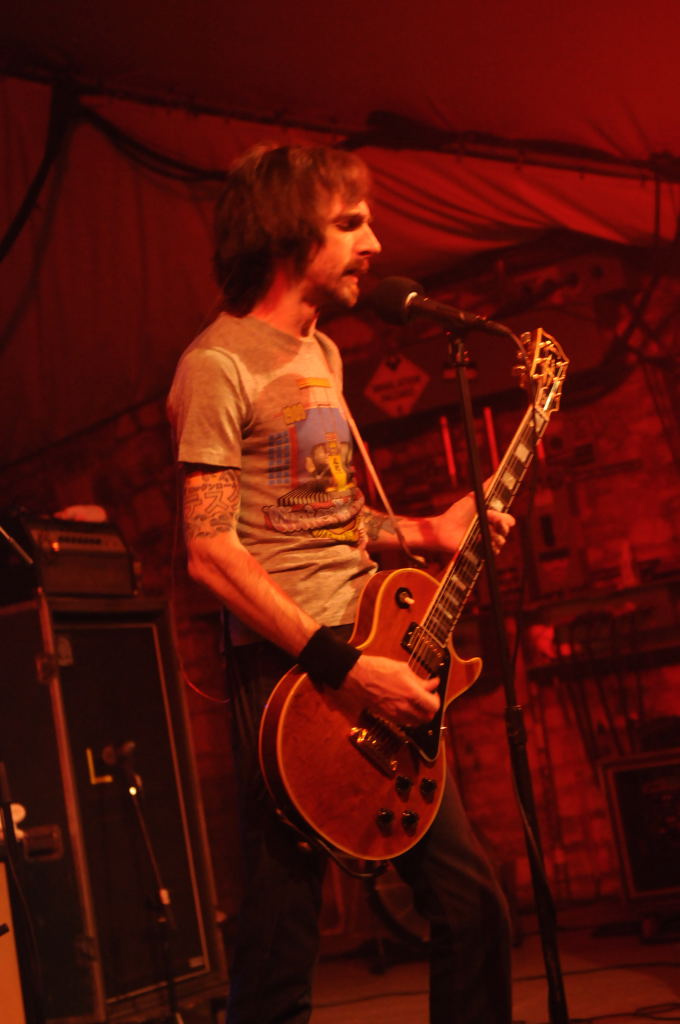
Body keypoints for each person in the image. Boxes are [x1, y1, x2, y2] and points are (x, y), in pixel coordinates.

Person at [167, 143, 515, 1024]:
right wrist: (345, 669)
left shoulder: (323, 352)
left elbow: (327, 510)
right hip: (292, 675)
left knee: (472, 904)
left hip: (375, 651)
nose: (375, 243)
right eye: (351, 223)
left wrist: (424, 531)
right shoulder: (218, 365)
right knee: (282, 944)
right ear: (290, 234)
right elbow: (210, 551)